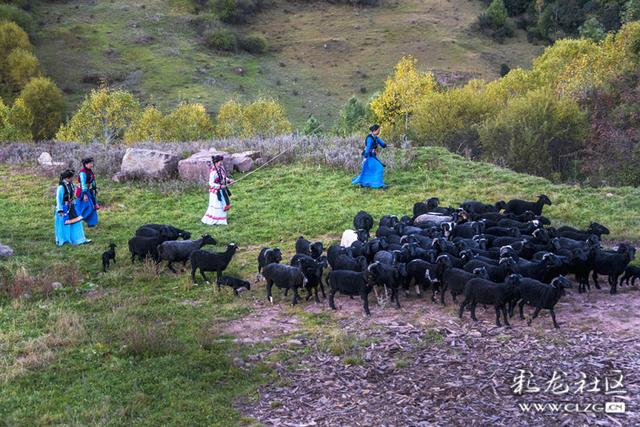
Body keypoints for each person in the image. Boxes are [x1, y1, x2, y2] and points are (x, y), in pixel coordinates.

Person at [54, 169, 90, 246]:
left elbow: (74, 194)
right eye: (71, 178)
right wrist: (60, 210)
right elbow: (59, 199)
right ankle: (64, 240)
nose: (72, 179)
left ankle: (78, 239)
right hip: (63, 209)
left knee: (77, 222)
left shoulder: (70, 185)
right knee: (64, 225)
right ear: (67, 178)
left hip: (71, 207)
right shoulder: (61, 187)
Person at [202, 155, 235, 225]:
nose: (221, 163)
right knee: (217, 205)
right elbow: (211, 183)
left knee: (222, 204)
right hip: (216, 192)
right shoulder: (213, 172)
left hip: (221, 190)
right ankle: (216, 220)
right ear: (216, 162)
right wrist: (219, 186)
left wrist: (229, 180)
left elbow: (223, 178)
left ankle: (221, 220)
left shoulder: (220, 169)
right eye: (220, 162)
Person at [352, 124, 388, 188]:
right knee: (379, 168)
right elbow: (368, 148)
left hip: (372, 156)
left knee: (368, 170)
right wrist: (365, 158)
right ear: (374, 130)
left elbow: (381, 143)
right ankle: (379, 184)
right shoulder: (369, 138)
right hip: (368, 156)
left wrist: (386, 145)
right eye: (378, 130)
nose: (379, 132)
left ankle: (364, 183)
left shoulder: (375, 137)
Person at [74, 157, 99, 227]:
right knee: (84, 207)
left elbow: (93, 181)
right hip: (82, 192)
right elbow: (83, 183)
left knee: (93, 207)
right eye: (90, 163)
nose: (91, 165)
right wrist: (85, 194)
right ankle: (77, 219)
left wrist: (94, 188)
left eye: (92, 163)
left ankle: (91, 224)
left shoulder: (90, 171)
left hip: (89, 191)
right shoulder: (82, 172)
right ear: (85, 164)